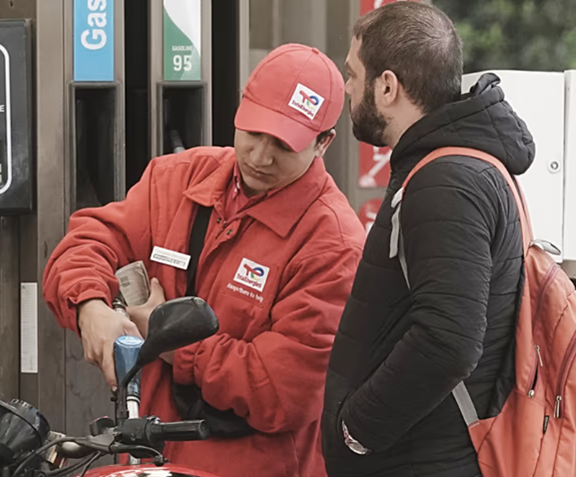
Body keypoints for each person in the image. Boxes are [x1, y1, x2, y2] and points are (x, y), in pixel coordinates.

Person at [43, 43, 365, 477]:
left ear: (323, 143)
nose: (259, 156)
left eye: (283, 145)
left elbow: (281, 391)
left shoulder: (334, 244)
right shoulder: (178, 179)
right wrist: (90, 307)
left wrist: (171, 340)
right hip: (148, 459)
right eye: (254, 132)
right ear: (239, 111)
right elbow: (88, 241)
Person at [322, 3, 535, 477]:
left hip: (423, 460)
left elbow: (448, 341)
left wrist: (358, 431)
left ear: (388, 86)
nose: (348, 88)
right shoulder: (455, 167)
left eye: (353, 75)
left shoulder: (445, 183)